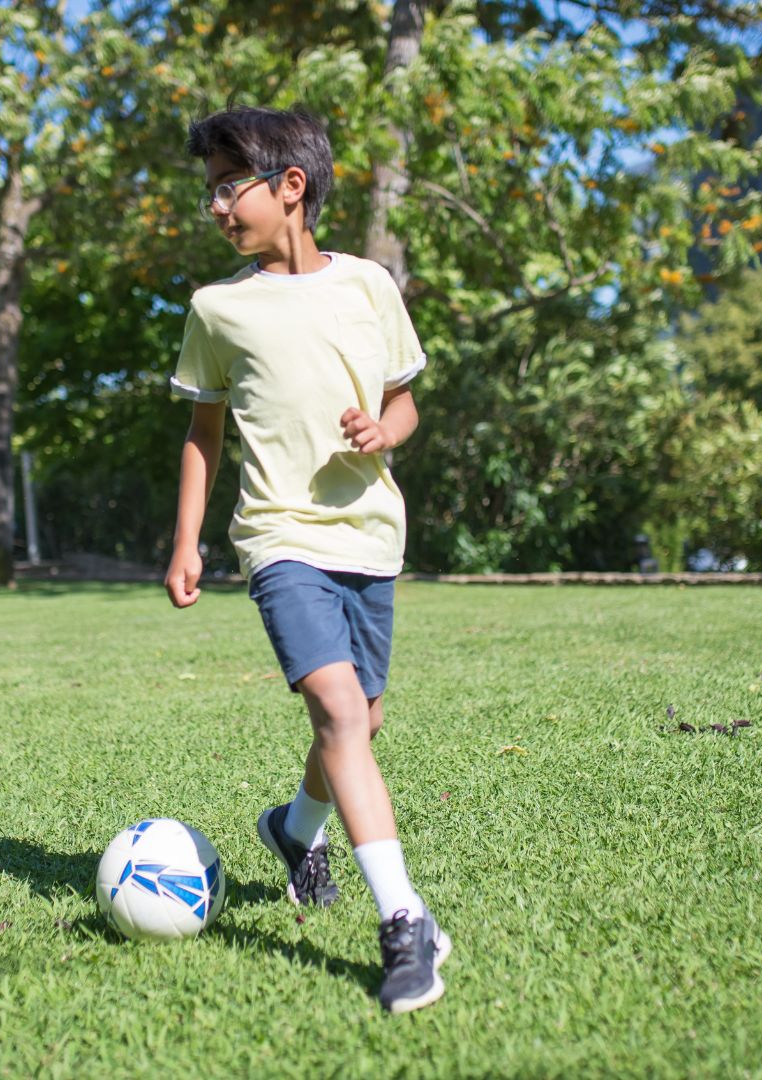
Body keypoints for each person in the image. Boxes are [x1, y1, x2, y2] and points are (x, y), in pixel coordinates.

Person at [162, 106, 449, 1014]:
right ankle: (405, 921)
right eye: (208, 187)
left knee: (359, 719)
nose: (215, 206)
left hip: (370, 533)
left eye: (227, 185)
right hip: (278, 537)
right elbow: (204, 434)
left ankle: (295, 831)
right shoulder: (218, 308)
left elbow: (403, 403)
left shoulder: (369, 286)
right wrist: (186, 541)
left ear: (291, 187)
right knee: (335, 708)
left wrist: (380, 429)